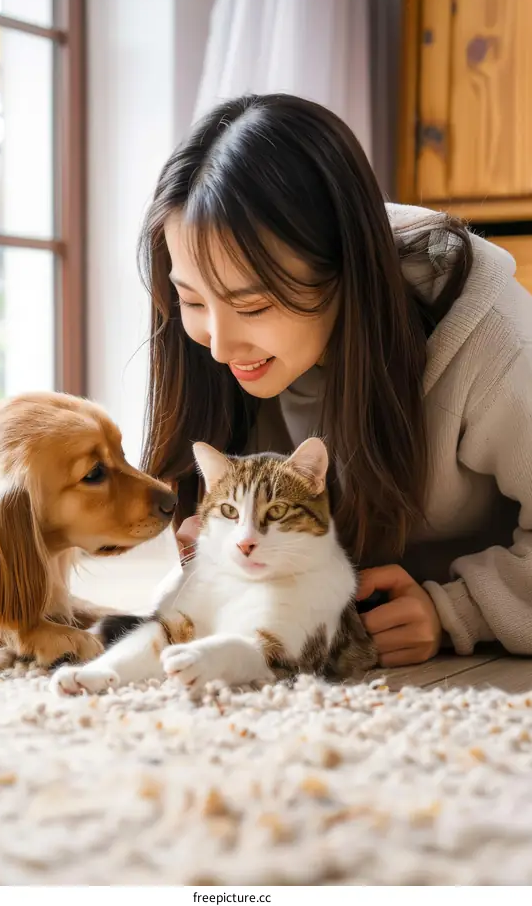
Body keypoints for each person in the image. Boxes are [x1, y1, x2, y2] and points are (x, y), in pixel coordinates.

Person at [137, 92, 532, 667]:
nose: (219, 347)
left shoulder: (492, 335)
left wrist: (458, 611)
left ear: (346, 272)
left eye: (252, 306)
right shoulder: (204, 339)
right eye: (192, 299)